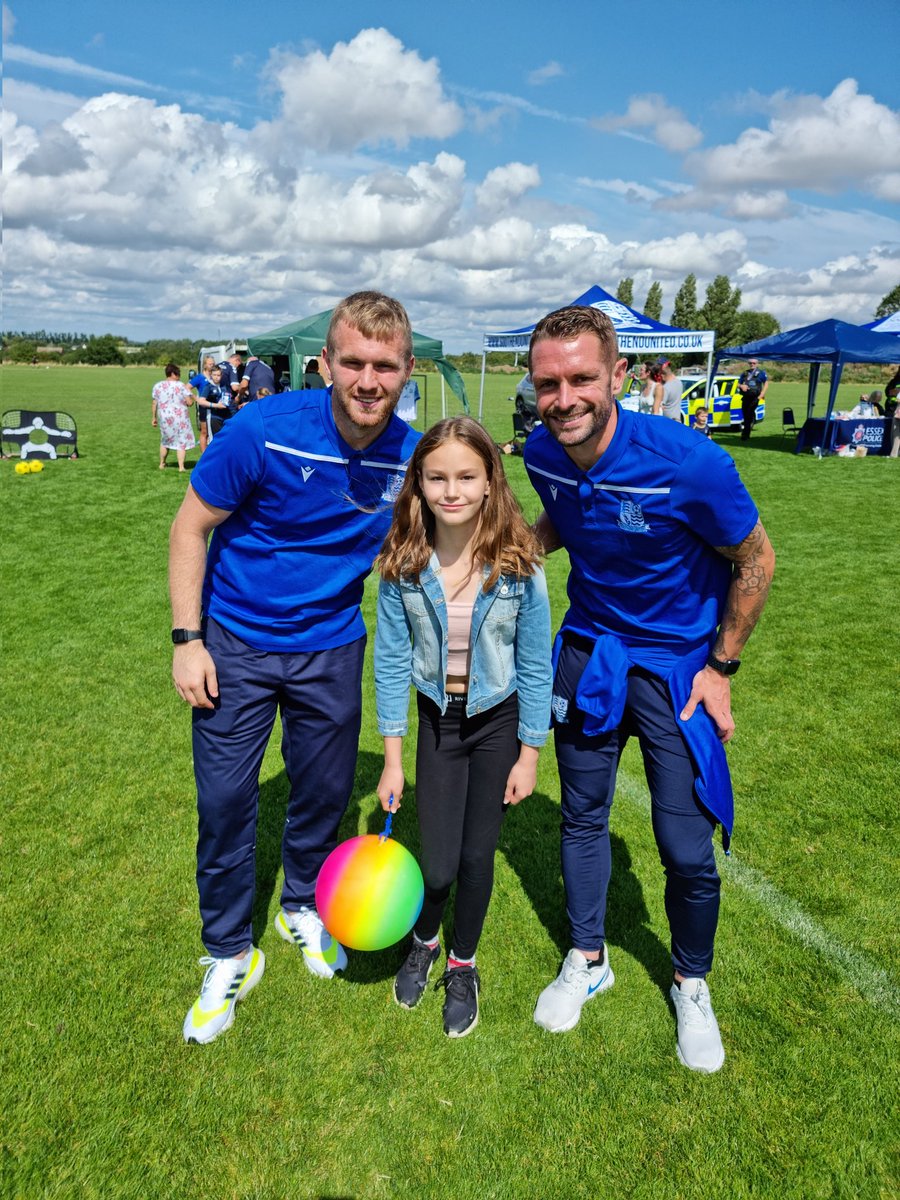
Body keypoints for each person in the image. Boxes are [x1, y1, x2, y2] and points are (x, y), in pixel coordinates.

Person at [522, 305, 775, 1073]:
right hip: (591, 655)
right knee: (582, 817)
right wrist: (523, 551)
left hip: (676, 671)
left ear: (620, 376)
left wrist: (721, 668)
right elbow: (568, 515)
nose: (563, 398)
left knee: (685, 847)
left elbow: (757, 561)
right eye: (547, 384)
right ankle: (588, 957)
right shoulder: (541, 450)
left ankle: (690, 982)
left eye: (580, 379)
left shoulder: (690, 462)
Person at [170, 291, 421, 1044]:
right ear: (325, 365)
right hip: (236, 644)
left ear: (407, 371)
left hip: (333, 647)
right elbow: (190, 527)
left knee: (321, 792)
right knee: (223, 803)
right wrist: (188, 639)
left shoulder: (410, 453)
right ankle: (227, 951)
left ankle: (303, 907)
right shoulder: (261, 430)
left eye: (384, 366)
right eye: (353, 363)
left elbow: (449, 531)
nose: (368, 380)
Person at [374, 417, 551, 1037]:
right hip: (437, 724)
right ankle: (425, 937)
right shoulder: (401, 564)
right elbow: (392, 662)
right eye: (437, 477)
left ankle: (462, 961)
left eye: (466, 477)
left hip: (497, 723)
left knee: (479, 856)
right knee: (440, 863)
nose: (452, 490)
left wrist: (529, 754)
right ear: (418, 484)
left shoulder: (519, 563)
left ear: (488, 482)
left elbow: (534, 661)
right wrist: (393, 760)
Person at [152, 364, 195, 472]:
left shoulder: (158, 386)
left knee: (165, 440)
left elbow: (154, 403)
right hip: (180, 417)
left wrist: (153, 418)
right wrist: (191, 400)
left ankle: (162, 464)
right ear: (172, 373)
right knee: (181, 441)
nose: (179, 376)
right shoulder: (181, 386)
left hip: (164, 417)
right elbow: (189, 402)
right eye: (178, 373)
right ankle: (181, 467)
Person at [189, 356, 217, 454]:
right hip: (204, 408)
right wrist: (196, 399)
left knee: (214, 431)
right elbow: (186, 387)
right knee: (204, 431)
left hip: (215, 407)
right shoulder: (200, 377)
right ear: (205, 365)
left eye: (213, 363)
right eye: (210, 364)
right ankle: (204, 455)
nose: (212, 365)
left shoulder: (215, 376)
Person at [738, 358, 768, 440]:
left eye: (754, 363)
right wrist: (741, 386)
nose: (752, 364)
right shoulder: (745, 373)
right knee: (746, 415)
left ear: (757, 364)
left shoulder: (761, 373)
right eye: (750, 363)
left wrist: (761, 395)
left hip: (755, 398)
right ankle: (746, 432)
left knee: (749, 414)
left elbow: (766, 383)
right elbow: (738, 383)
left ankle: (745, 434)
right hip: (745, 397)